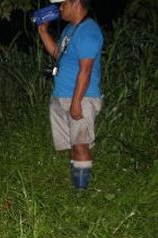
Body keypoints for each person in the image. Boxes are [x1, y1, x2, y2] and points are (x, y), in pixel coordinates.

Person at [38, 0, 103, 190]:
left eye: (62, 3)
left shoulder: (89, 31)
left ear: (76, 3)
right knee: (74, 144)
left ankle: (81, 194)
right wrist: (43, 32)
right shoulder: (70, 29)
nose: (59, 8)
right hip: (63, 95)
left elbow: (86, 70)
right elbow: (59, 54)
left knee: (81, 144)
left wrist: (76, 103)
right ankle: (77, 186)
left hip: (82, 98)